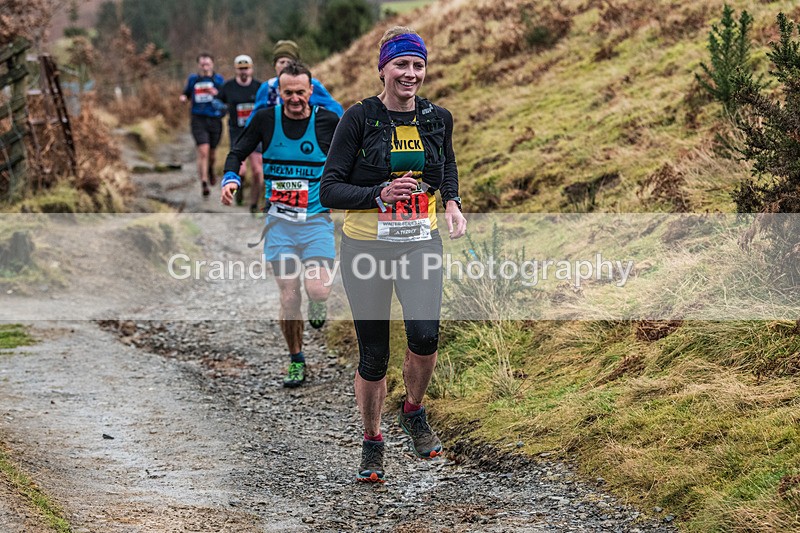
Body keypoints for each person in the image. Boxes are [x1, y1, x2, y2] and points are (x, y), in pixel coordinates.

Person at [320, 26, 467, 483]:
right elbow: (329, 189)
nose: (410, 73)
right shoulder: (359, 118)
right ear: (382, 69)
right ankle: (372, 440)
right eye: (401, 64)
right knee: (374, 355)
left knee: (425, 337)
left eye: (418, 65)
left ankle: (413, 411)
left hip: (420, 241)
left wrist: (451, 202)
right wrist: (378, 194)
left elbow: (446, 164)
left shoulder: (437, 118)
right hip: (366, 248)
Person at [221, 61, 339, 388]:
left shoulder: (328, 122)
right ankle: (296, 359)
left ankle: (318, 300)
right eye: (288, 93)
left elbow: (355, 157)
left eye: (301, 92)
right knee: (289, 296)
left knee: (318, 289)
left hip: (316, 221)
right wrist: (230, 178)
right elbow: (237, 152)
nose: (295, 99)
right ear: (279, 93)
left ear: (311, 91)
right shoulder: (265, 120)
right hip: (279, 226)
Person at [250, 40, 344, 118]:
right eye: (282, 62)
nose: (285, 66)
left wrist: (318, 116)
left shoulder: (310, 84)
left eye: (289, 62)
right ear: (275, 65)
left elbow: (336, 108)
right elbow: (254, 117)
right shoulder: (268, 88)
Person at [218, 54, 264, 214]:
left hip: (257, 133)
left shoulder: (259, 87)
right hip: (237, 133)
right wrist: (222, 110)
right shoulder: (228, 87)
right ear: (236, 70)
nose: (244, 71)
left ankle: (254, 204)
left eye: (246, 68)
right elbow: (218, 101)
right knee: (241, 171)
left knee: (258, 171)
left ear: (251, 69)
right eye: (240, 69)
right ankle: (239, 189)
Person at [180, 53, 225, 198]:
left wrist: (216, 93)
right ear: (199, 65)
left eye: (207, 64)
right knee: (203, 151)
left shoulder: (218, 79)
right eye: (202, 64)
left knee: (212, 154)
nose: (205, 67)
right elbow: (186, 93)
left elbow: (225, 98)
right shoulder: (193, 79)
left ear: (212, 65)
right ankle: (204, 182)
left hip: (215, 119)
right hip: (198, 119)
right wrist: (183, 98)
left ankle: (211, 169)